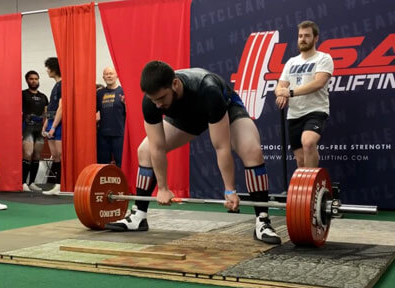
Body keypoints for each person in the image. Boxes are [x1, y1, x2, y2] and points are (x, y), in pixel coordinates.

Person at [105, 61, 281, 245]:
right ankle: (138, 216)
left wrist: (230, 190)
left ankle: (262, 220)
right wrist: (163, 188)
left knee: (251, 150)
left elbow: (221, 146)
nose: (157, 105)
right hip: (188, 117)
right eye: (154, 100)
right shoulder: (152, 102)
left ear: (175, 84)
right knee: (146, 150)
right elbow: (157, 147)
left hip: (225, 108)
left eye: (162, 98)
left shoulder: (208, 89)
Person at [275, 20, 334, 168]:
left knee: (308, 142)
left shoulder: (324, 58)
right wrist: (281, 93)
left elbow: (319, 82)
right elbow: (280, 85)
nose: (303, 39)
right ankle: (307, 188)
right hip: (294, 114)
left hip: (316, 110)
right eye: (300, 36)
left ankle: (312, 187)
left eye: (307, 36)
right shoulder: (291, 62)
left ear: (315, 38)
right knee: (300, 161)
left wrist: (290, 92)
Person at [22, 71, 48, 192]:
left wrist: (46, 127)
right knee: (28, 153)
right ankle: (23, 182)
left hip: (39, 128)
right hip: (27, 127)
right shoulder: (23, 94)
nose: (34, 81)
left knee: (37, 155)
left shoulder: (43, 97)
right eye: (31, 79)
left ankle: (32, 182)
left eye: (36, 79)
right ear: (27, 80)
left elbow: (46, 114)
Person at [96, 67, 126, 168]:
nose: (109, 76)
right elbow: (92, 112)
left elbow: (130, 114)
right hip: (103, 135)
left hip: (119, 134)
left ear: (117, 76)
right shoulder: (99, 94)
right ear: (103, 77)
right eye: (106, 74)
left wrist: (125, 104)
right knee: (102, 165)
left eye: (111, 73)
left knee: (121, 163)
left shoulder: (123, 91)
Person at [42, 57, 62, 195]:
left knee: (60, 154)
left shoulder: (62, 85)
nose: (47, 70)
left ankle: (61, 184)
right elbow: (51, 108)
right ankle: (56, 185)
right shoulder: (55, 85)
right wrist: (45, 125)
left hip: (58, 123)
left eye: (48, 67)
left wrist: (54, 126)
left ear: (54, 68)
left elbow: (61, 108)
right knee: (54, 155)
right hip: (50, 121)